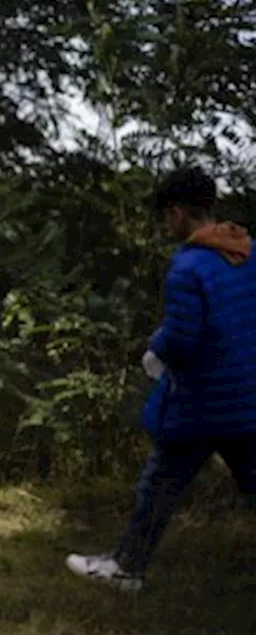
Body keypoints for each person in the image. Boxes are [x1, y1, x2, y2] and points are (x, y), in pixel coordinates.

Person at [67, 167, 256, 592]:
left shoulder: (188, 267)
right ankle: (126, 565)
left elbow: (184, 338)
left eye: (164, 218)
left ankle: (127, 568)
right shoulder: (248, 252)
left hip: (201, 400)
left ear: (176, 214)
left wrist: (156, 348)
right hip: (247, 397)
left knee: (159, 485)